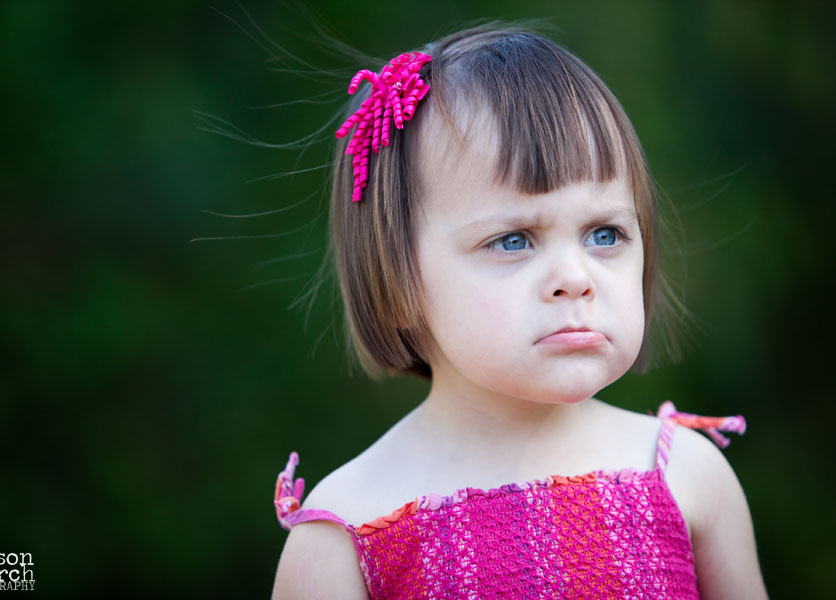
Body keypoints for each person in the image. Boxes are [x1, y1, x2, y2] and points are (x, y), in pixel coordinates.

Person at [270, 23, 767, 599]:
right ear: (399, 280)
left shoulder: (685, 477)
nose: (575, 278)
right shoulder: (348, 531)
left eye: (605, 233)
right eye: (513, 240)